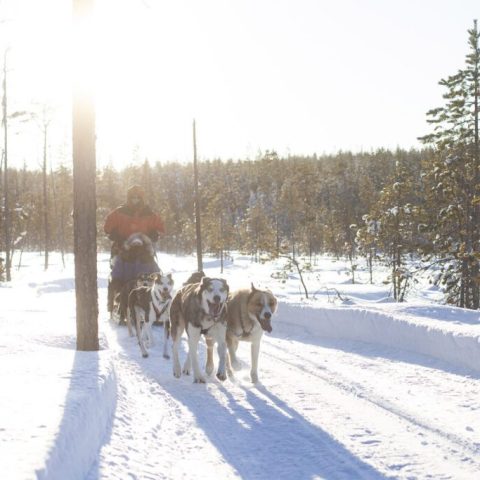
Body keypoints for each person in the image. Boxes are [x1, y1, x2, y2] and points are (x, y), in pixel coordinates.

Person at [104, 184, 165, 315]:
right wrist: (115, 234)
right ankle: (116, 302)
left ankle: (157, 301)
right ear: (128, 198)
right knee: (117, 274)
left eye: (138, 197)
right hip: (122, 249)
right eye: (133, 197)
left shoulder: (150, 214)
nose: (135, 200)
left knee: (153, 272)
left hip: (144, 250)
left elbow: (160, 228)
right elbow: (107, 227)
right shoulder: (119, 212)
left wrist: (155, 233)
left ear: (142, 198)